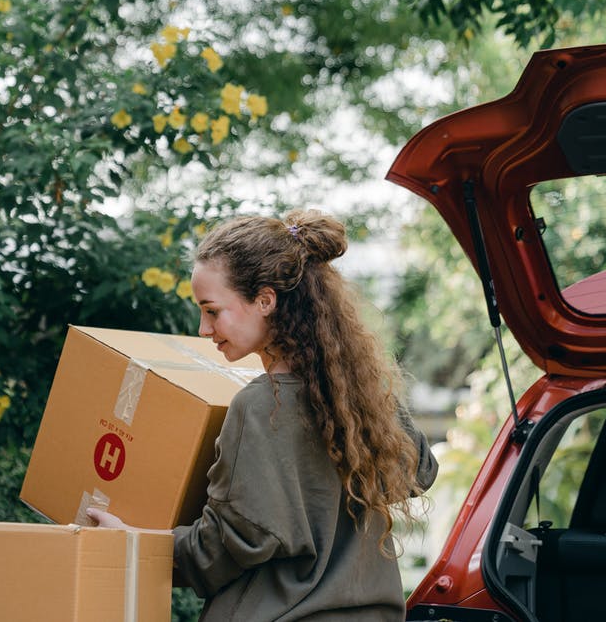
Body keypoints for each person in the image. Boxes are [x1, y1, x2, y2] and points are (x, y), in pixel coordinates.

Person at [88, 209, 438, 621]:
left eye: (212, 310)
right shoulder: (358, 398)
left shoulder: (259, 406)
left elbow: (227, 544)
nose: (203, 329)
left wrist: (133, 542)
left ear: (265, 300)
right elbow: (420, 471)